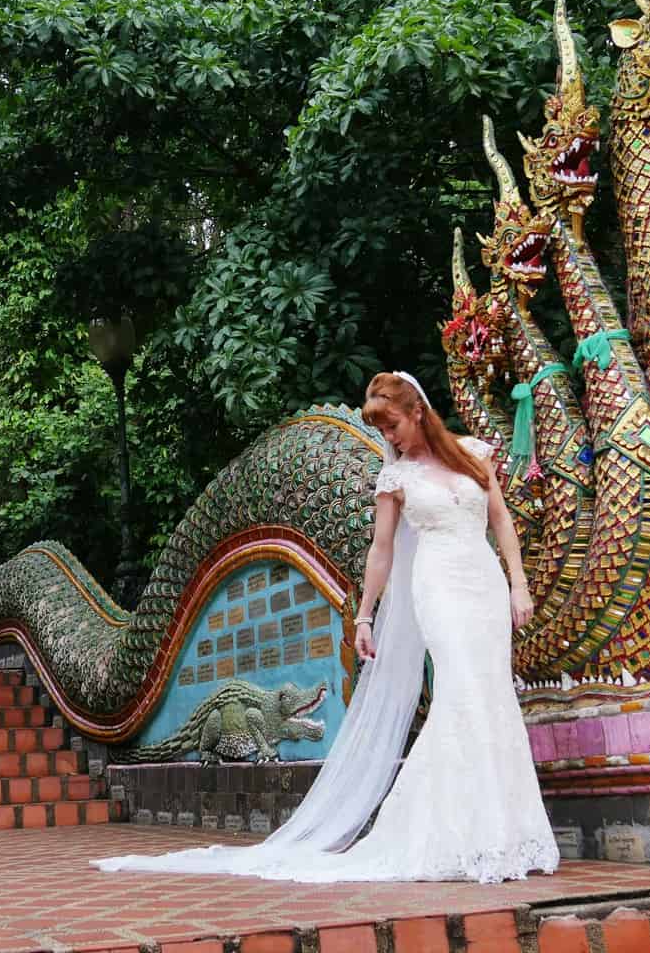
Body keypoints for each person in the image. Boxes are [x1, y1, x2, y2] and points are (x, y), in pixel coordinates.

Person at [92, 371, 559, 883]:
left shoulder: (475, 454)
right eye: (382, 432)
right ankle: (453, 832)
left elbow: (500, 520)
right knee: (461, 693)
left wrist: (518, 584)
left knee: (493, 694)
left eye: (394, 426)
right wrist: (365, 614)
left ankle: (507, 831)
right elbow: (382, 550)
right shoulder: (396, 478)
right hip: (440, 589)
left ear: (418, 413)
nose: (391, 439)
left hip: (485, 587)